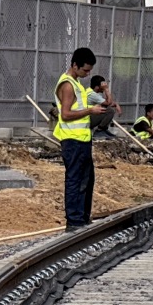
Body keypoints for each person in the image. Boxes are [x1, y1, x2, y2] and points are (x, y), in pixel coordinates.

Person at [54, 47, 107, 230]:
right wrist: (90, 111)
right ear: (75, 65)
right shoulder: (68, 85)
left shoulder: (76, 83)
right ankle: (74, 220)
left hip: (82, 140)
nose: (87, 74)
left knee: (87, 179)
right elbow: (66, 114)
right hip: (72, 140)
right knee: (75, 180)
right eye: (85, 70)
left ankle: (82, 218)